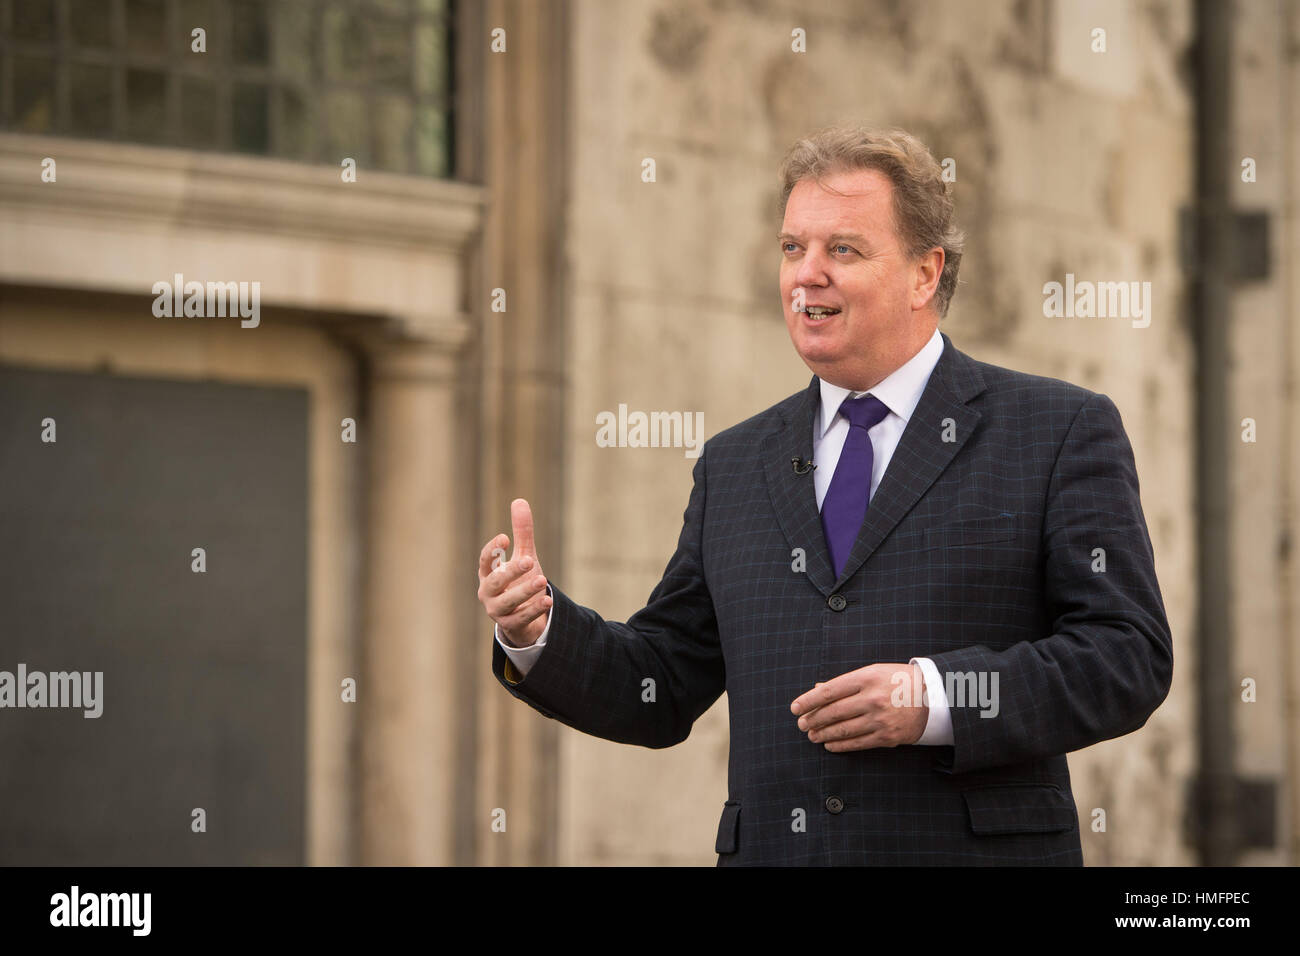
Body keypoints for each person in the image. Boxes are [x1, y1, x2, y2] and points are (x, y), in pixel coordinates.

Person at [475, 126, 1173, 865]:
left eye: (842, 249)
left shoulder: (1057, 430)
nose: (806, 275)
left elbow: (1125, 658)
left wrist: (934, 699)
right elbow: (662, 681)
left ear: (924, 273)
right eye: (791, 248)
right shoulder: (734, 463)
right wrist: (538, 631)